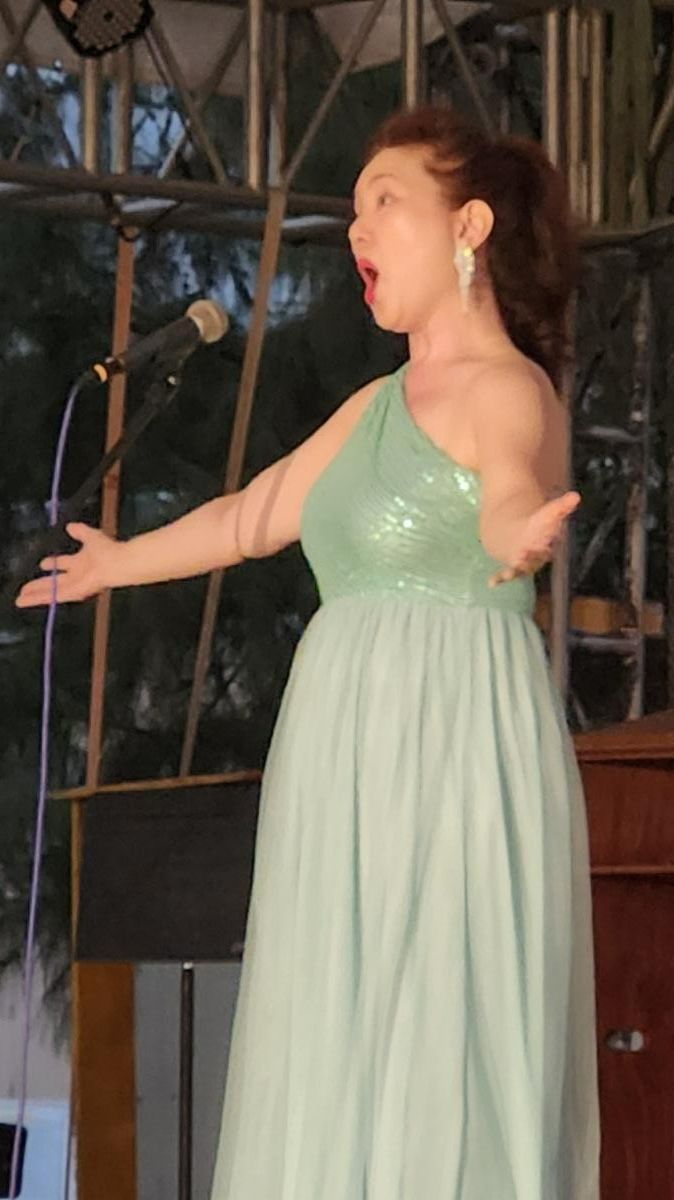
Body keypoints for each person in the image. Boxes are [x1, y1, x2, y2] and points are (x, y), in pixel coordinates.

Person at [17, 105, 600, 1199]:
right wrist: (117, 563)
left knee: (433, 1016)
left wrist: (514, 528)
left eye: (387, 201)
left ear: (467, 225)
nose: (357, 228)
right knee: (337, 1012)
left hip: (446, 744)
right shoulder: (374, 405)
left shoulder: (505, 389)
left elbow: (511, 484)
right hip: (344, 755)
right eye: (354, 208)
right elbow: (252, 516)